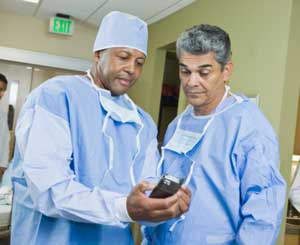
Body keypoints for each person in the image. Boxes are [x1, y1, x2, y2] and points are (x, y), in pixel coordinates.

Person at [10, 11, 190, 245]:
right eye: (123, 57)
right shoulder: (55, 98)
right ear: (98, 54)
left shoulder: (142, 122)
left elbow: (144, 189)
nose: (131, 69)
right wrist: (123, 206)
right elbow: (49, 191)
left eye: (139, 62)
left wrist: (163, 206)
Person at [143, 24, 286, 244]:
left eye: (204, 72)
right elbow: (163, 188)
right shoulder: (178, 124)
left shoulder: (249, 128)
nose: (192, 82)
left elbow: (263, 215)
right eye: (185, 71)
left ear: (226, 71)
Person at [0, 73, 10, 181]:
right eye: (0, 89)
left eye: (3, 91)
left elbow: (5, 140)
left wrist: (3, 166)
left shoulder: (2, 116)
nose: (2, 94)